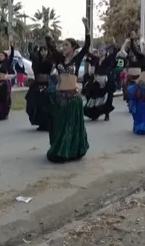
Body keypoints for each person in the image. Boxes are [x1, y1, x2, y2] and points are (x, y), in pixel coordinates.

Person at [44, 17, 91, 163]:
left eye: (66, 45)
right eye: (62, 45)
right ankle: (60, 150)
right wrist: (48, 33)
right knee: (60, 126)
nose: (63, 47)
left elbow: (87, 45)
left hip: (73, 99)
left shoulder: (77, 60)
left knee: (71, 128)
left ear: (72, 47)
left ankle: (71, 151)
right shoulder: (59, 59)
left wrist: (87, 28)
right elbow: (51, 46)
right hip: (60, 98)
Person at [82, 45, 119, 121]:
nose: (100, 52)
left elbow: (114, 53)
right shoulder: (96, 59)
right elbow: (89, 55)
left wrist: (111, 46)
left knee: (107, 97)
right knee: (93, 96)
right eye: (99, 51)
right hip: (96, 80)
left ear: (105, 52)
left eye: (102, 51)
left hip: (105, 81)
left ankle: (107, 114)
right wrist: (85, 49)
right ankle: (94, 114)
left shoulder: (107, 60)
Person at [25, 44, 54, 131]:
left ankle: (49, 123)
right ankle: (41, 123)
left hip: (48, 85)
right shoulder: (36, 60)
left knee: (48, 104)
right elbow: (32, 54)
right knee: (36, 104)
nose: (43, 52)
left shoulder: (50, 60)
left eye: (45, 50)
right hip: (37, 84)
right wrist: (31, 47)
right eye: (41, 51)